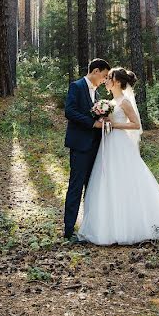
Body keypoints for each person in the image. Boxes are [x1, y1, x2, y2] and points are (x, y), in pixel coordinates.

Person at [77, 67, 159, 245]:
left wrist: (114, 125)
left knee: (126, 180)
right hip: (109, 144)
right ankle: (107, 224)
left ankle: (134, 225)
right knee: (108, 181)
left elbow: (136, 125)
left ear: (117, 82)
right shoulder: (111, 101)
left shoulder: (124, 102)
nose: (106, 81)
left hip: (120, 144)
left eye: (109, 78)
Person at [62, 58, 111, 240]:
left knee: (91, 188)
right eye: (104, 76)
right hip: (80, 145)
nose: (105, 80)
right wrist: (92, 124)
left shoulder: (97, 94)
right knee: (76, 187)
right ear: (95, 71)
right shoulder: (76, 86)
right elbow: (70, 111)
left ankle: (88, 228)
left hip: (95, 147)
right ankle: (69, 231)